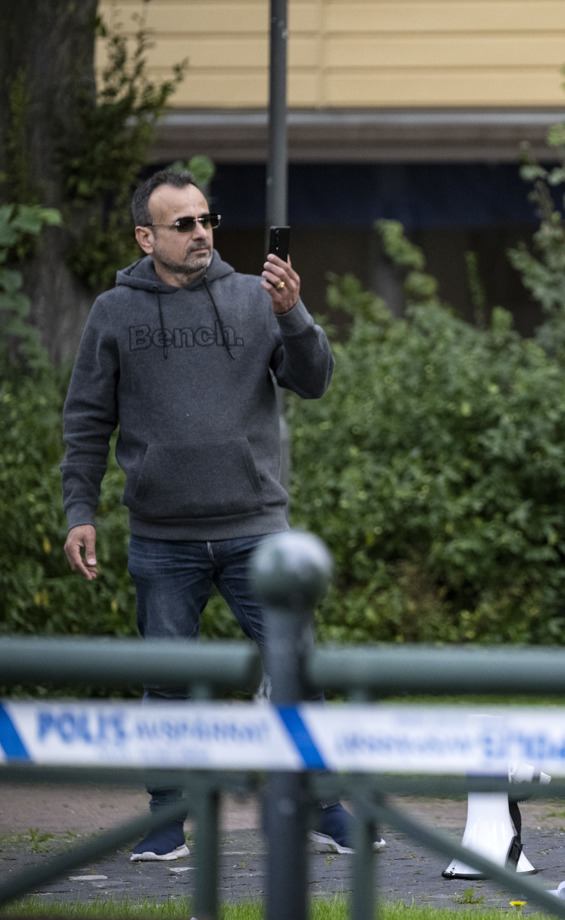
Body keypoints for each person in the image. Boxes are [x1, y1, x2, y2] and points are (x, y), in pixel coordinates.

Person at [60, 168, 380, 860]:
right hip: (161, 535)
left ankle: (325, 810)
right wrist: (78, 509)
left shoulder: (253, 298)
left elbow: (316, 379)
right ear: (146, 236)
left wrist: (294, 312)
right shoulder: (114, 312)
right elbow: (86, 419)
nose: (202, 233)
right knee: (168, 684)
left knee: (298, 670)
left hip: (257, 530)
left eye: (207, 220)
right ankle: (165, 823)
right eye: (184, 224)